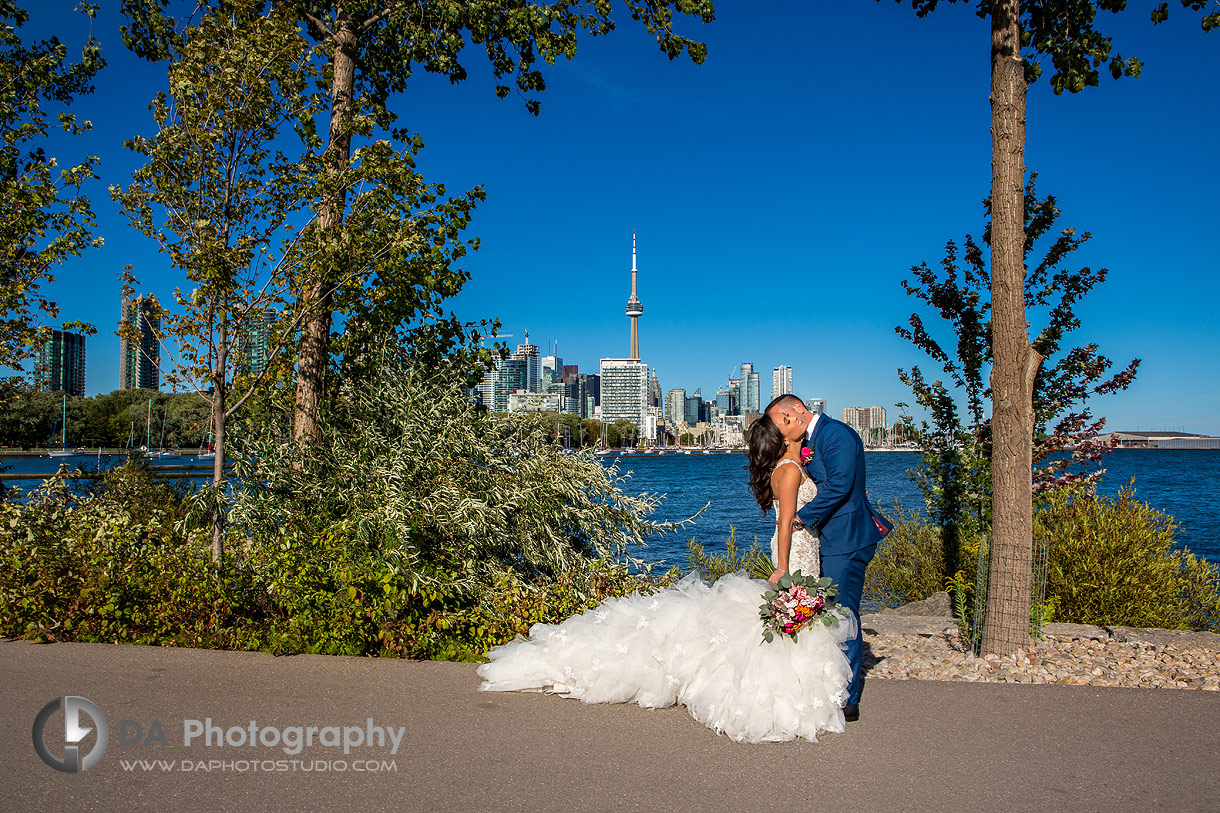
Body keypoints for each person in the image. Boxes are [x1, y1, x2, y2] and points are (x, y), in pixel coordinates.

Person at [476, 415, 857, 743]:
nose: (799, 426)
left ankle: (799, 684)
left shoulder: (794, 464)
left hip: (804, 547)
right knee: (791, 619)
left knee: (794, 622)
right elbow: (786, 521)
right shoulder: (789, 471)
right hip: (796, 550)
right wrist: (782, 566)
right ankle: (786, 692)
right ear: (781, 438)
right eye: (789, 425)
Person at [764, 394, 892, 722]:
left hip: (847, 539)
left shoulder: (837, 435)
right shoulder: (811, 442)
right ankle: (824, 686)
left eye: (778, 425)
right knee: (828, 612)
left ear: (795, 414)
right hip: (831, 540)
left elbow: (840, 485)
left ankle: (847, 700)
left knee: (842, 613)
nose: (778, 435)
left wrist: (800, 518)